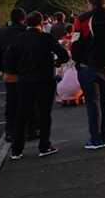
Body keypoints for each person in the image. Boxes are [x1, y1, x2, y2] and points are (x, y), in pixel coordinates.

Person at [5, 11, 69, 160]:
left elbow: (9, 59)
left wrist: (16, 71)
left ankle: (16, 149)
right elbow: (63, 55)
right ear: (41, 23)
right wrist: (56, 62)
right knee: (44, 114)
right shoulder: (46, 38)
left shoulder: (18, 39)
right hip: (44, 79)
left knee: (22, 114)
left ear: (27, 23)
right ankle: (44, 145)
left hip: (24, 81)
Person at [74, 0, 105, 150]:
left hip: (88, 65)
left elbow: (76, 43)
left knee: (92, 103)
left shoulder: (82, 19)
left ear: (90, 3)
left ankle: (95, 138)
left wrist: (77, 60)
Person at [0, 8, 29, 142]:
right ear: (23, 18)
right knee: (27, 101)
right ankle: (27, 129)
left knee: (11, 102)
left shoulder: (2, 33)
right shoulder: (26, 32)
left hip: (9, 72)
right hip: (26, 71)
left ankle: (10, 130)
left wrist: (2, 69)